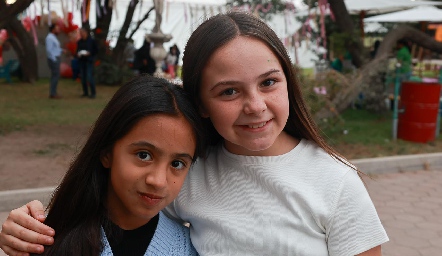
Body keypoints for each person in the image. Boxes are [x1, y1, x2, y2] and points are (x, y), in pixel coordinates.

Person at [0, 12, 388, 256]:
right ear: (199, 104)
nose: (255, 105)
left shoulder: (336, 181)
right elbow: (106, 202)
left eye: (269, 82)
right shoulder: (188, 168)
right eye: (229, 91)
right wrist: (29, 221)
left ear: (288, 82)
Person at [0, 75, 203, 256]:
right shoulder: (45, 238)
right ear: (107, 153)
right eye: (143, 155)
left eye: (177, 163)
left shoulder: (191, 248)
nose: (158, 181)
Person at [77, 28, 98, 98]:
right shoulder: (79, 41)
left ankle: (93, 93)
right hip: (82, 61)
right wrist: (78, 54)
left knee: (89, 76)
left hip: (89, 61)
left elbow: (96, 50)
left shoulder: (91, 41)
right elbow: (77, 50)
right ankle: (85, 92)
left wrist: (90, 53)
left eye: (82, 32)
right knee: (83, 77)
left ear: (86, 32)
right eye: (80, 33)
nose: (81, 34)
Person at [45, 24, 63, 99]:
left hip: (56, 57)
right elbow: (49, 50)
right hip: (54, 59)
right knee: (55, 76)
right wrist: (54, 59)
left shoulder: (53, 37)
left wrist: (62, 50)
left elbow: (55, 49)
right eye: (57, 29)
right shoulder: (49, 38)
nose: (59, 30)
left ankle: (54, 92)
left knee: (56, 76)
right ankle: (53, 93)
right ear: (53, 29)